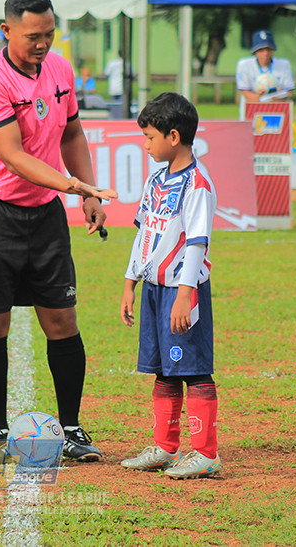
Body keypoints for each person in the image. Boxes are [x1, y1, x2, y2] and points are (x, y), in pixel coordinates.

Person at [0, 0, 118, 466]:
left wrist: (86, 191)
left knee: (62, 320)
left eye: (49, 34)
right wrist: (71, 184)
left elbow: (72, 132)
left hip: (44, 215)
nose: (42, 44)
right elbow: (15, 157)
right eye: (31, 36)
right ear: (5, 31)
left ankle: (71, 428)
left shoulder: (60, 70)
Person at [119, 92, 222, 480]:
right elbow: (143, 232)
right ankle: (164, 448)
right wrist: (131, 283)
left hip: (183, 292)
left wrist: (184, 294)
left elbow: (197, 242)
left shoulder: (197, 183)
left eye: (149, 137)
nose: (145, 145)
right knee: (163, 369)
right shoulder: (157, 179)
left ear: (173, 136)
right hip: (154, 289)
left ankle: (206, 453)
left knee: (192, 369)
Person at [235, 30, 294, 118]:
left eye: (268, 49)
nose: (265, 53)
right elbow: (246, 93)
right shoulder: (244, 65)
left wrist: (274, 94)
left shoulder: (284, 65)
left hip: (277, 113)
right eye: (261, 50)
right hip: (252, 113)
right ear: (255, 51)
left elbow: (289, 93)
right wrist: (264, 97)